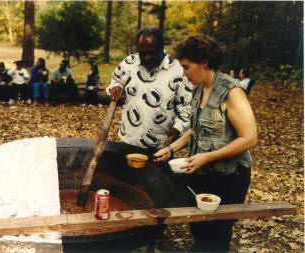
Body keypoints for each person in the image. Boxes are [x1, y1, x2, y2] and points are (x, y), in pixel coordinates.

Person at [154, 34, 258, 252]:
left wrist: (208, 157)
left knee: (218, 232)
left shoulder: (232, 92)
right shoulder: (199, 88)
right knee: (199, 225)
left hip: (230, 177)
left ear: (204, 62)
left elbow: (250, 138)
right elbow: (197, 129)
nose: (184, 74)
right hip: (203, 172)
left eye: (187, 67)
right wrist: (171, 148)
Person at [107, 26, 193, 207]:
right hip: (129, 139)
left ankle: (154, 226)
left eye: (151, 53)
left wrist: (178, 127)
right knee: (127, 186)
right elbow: (115, 81)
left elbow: (186, 108)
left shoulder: (178, 71)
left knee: (156, 191)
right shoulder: (129, 62)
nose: (146, 58)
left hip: (160, 146)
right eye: (142, 52)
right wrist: (114, 88)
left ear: (162, 48)